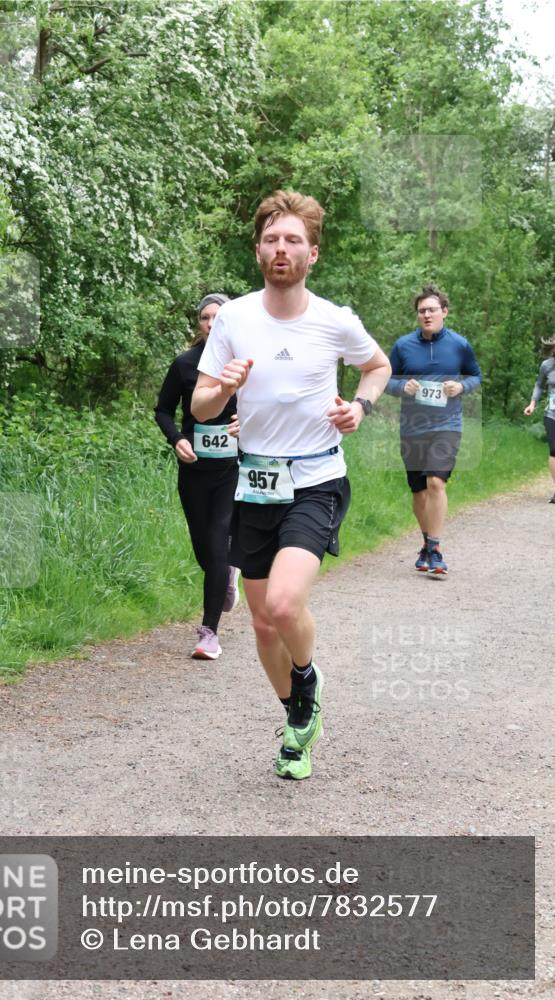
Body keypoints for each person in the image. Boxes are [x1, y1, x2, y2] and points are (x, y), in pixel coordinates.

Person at [191, 190, 390, 781]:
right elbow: (202, 409)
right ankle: (297, 720)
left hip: (316, 478)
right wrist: (223, 388)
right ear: (258, 251)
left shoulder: (334, 321)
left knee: (283, 604)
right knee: (258, 622)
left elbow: (376, 366)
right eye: (273, 239)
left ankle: (307, 678)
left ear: (313, 253)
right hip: (254, 482)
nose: (283, 249)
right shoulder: (233, 318)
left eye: (294, 240)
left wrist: (360, 406)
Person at [154, 294, 240, 660]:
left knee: (219, 540)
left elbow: (269, 404)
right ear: (199, 324)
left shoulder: (242, 365)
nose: (210, 323)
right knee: (204, 548)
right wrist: (177, 439)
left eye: (217, 317)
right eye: (205, 318)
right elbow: (162, 410)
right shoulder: (185, 364)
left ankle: (209, 633)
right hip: (193, 469)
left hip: (232, 470)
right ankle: (226, 575)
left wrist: (245, 422)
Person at [386, 287, 482, 576]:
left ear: (444, 312)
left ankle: (436, 549)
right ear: (417, 315)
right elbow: (384, 379)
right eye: (422, 311)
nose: (427, 315)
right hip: (412, 429)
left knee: (435, 483)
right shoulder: (403, 346)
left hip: (447, 426)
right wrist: (402, 386)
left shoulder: (459, 345)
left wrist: (462, 387)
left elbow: (475, 376)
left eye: (432, 309)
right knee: (419, 491)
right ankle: (427, 543)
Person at [523, 334, 555, 503]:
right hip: (552, 414)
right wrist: (532, 404)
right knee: (554, 450)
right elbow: (539, 385)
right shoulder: (547, 366)